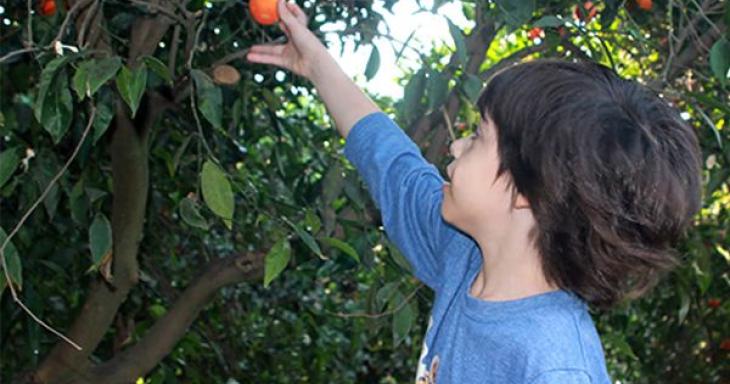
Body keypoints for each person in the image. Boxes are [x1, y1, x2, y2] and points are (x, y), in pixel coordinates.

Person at [246, 1, 702, 383]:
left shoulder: (554, 366)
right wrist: (317, 63)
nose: (456, 144)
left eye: (479, 136)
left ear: (528, 190)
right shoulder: (463, 256)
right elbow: (390, 163)